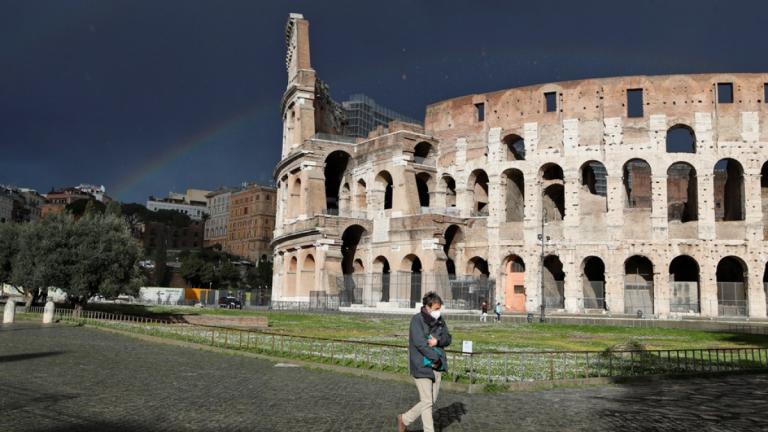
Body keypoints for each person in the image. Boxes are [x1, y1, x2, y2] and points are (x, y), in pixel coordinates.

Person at [398, 292, 452, 432]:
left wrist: (438, 341)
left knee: (430, 401)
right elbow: (420, 344)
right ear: (427, 307)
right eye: (435, 308)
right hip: (422, 364)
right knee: (427, 401)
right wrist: (434, 359)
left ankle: (405, 419)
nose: (438, 311)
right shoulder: (417, 320)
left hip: (438, 365)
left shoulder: (440, 320)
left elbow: (448, 338)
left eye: (439, 308)